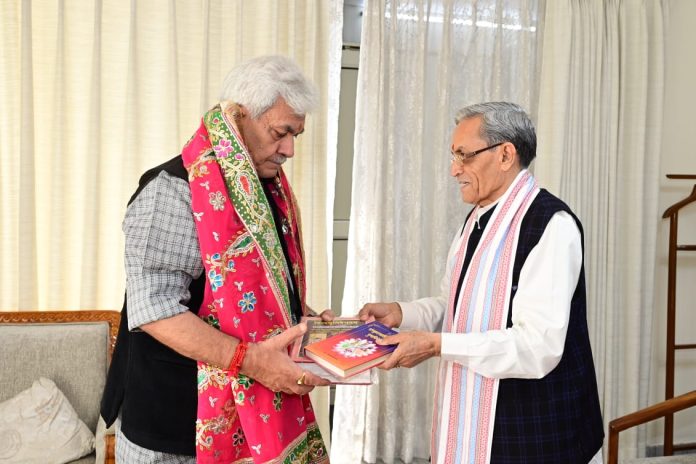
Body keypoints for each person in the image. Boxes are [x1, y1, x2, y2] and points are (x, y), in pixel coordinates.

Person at [100, 55, 333, 464]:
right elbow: (154, 310)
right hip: (172, 427)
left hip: (248, 423)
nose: (290, 150)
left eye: (295, 135)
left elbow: (258, 289)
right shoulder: (171, 190)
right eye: (281, 133)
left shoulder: (262, 189)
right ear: (239, 117)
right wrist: (254, 362)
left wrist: (308, 323)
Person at [359, 102, 604, 463]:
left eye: (465, 155)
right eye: (453, 155)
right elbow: (456, 305)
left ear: (505, 155)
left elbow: (538, 347)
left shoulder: (552, 225)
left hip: (535, 433)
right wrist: (402, 313)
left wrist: (437, 345)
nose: (454, 169)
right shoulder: (477, 219)